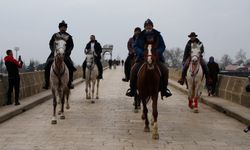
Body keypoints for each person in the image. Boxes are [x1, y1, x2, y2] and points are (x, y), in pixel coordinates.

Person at [126, 19, 172, 98]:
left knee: (165, 70)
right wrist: (142, 53)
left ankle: (164, 90)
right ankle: (132, 89)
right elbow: (135, 46)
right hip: (142, 58)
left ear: (152, 26)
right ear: (144, 27)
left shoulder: (157, 35)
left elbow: (163, 46)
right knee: (133, 70)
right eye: (147, 26)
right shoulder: (140, 35)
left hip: (156, 58)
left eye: (150, 25)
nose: (148, 27)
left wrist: (156, 52)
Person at [43, 20, 76, 89]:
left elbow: (71, 46)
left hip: (65, 54)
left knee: (70, 65)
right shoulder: (55, 35)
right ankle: (46, 82)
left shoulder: (69, 36)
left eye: (64, 27)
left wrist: (67, 53)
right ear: (59, 28)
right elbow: (50, 44)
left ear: (66, 28)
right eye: (62, 27)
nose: (63, 28)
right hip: (54, 54)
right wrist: (53, 51)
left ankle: (70, 82)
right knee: (47, 64)